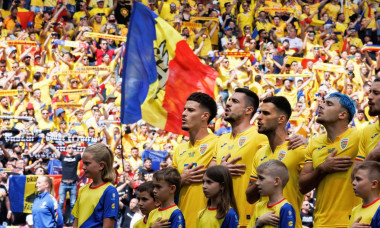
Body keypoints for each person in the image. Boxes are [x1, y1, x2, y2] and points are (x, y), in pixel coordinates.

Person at [299, 92, 359, 227]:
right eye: (322, 102)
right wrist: (322, 169)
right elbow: (302, 186)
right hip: (321, 222)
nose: (320, 105)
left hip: (354, 222)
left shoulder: (360, 137)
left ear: (342, 115)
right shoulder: (314, 143)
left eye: (329, 104)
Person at [246, 96, 306, 228]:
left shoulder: (299, 150)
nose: (259, 117)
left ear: (281, 119)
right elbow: (250, 197)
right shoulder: (260, 153)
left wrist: (309, 143)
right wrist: (266, 179)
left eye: (266, 113)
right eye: (259, 113)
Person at [172, 92, 218, 228]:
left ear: (205, 116)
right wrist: (181, 180)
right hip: (182, 222)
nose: (184, 114)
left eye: (190, 110)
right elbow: (167, 188)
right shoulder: (179, 150)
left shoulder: (219, 143)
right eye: (184, 109)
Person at [72, 143, 119, 228]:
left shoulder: (109, 191)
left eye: (87, 163)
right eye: (83, 163)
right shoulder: (83, 189)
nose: (83, 167)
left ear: (101, 165)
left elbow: (108, 225)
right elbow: (76, 221)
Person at [248, 160, 296, 228]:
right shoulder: (259, 206)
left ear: (276, 181)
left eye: (261, 178)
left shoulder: (285, 208)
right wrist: (259, 222)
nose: (257, 183)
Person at [349, 161, 380, 227]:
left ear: (374, 184)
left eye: (358, 179)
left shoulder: (378, 208)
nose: (353, 182)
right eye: (354, 179)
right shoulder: (355, 210)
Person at [357, 78, 380, 162]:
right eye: (370, 92)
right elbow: (356, 173)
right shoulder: (367, 131)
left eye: (376, 93)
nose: (369, 97)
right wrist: (373, 155)